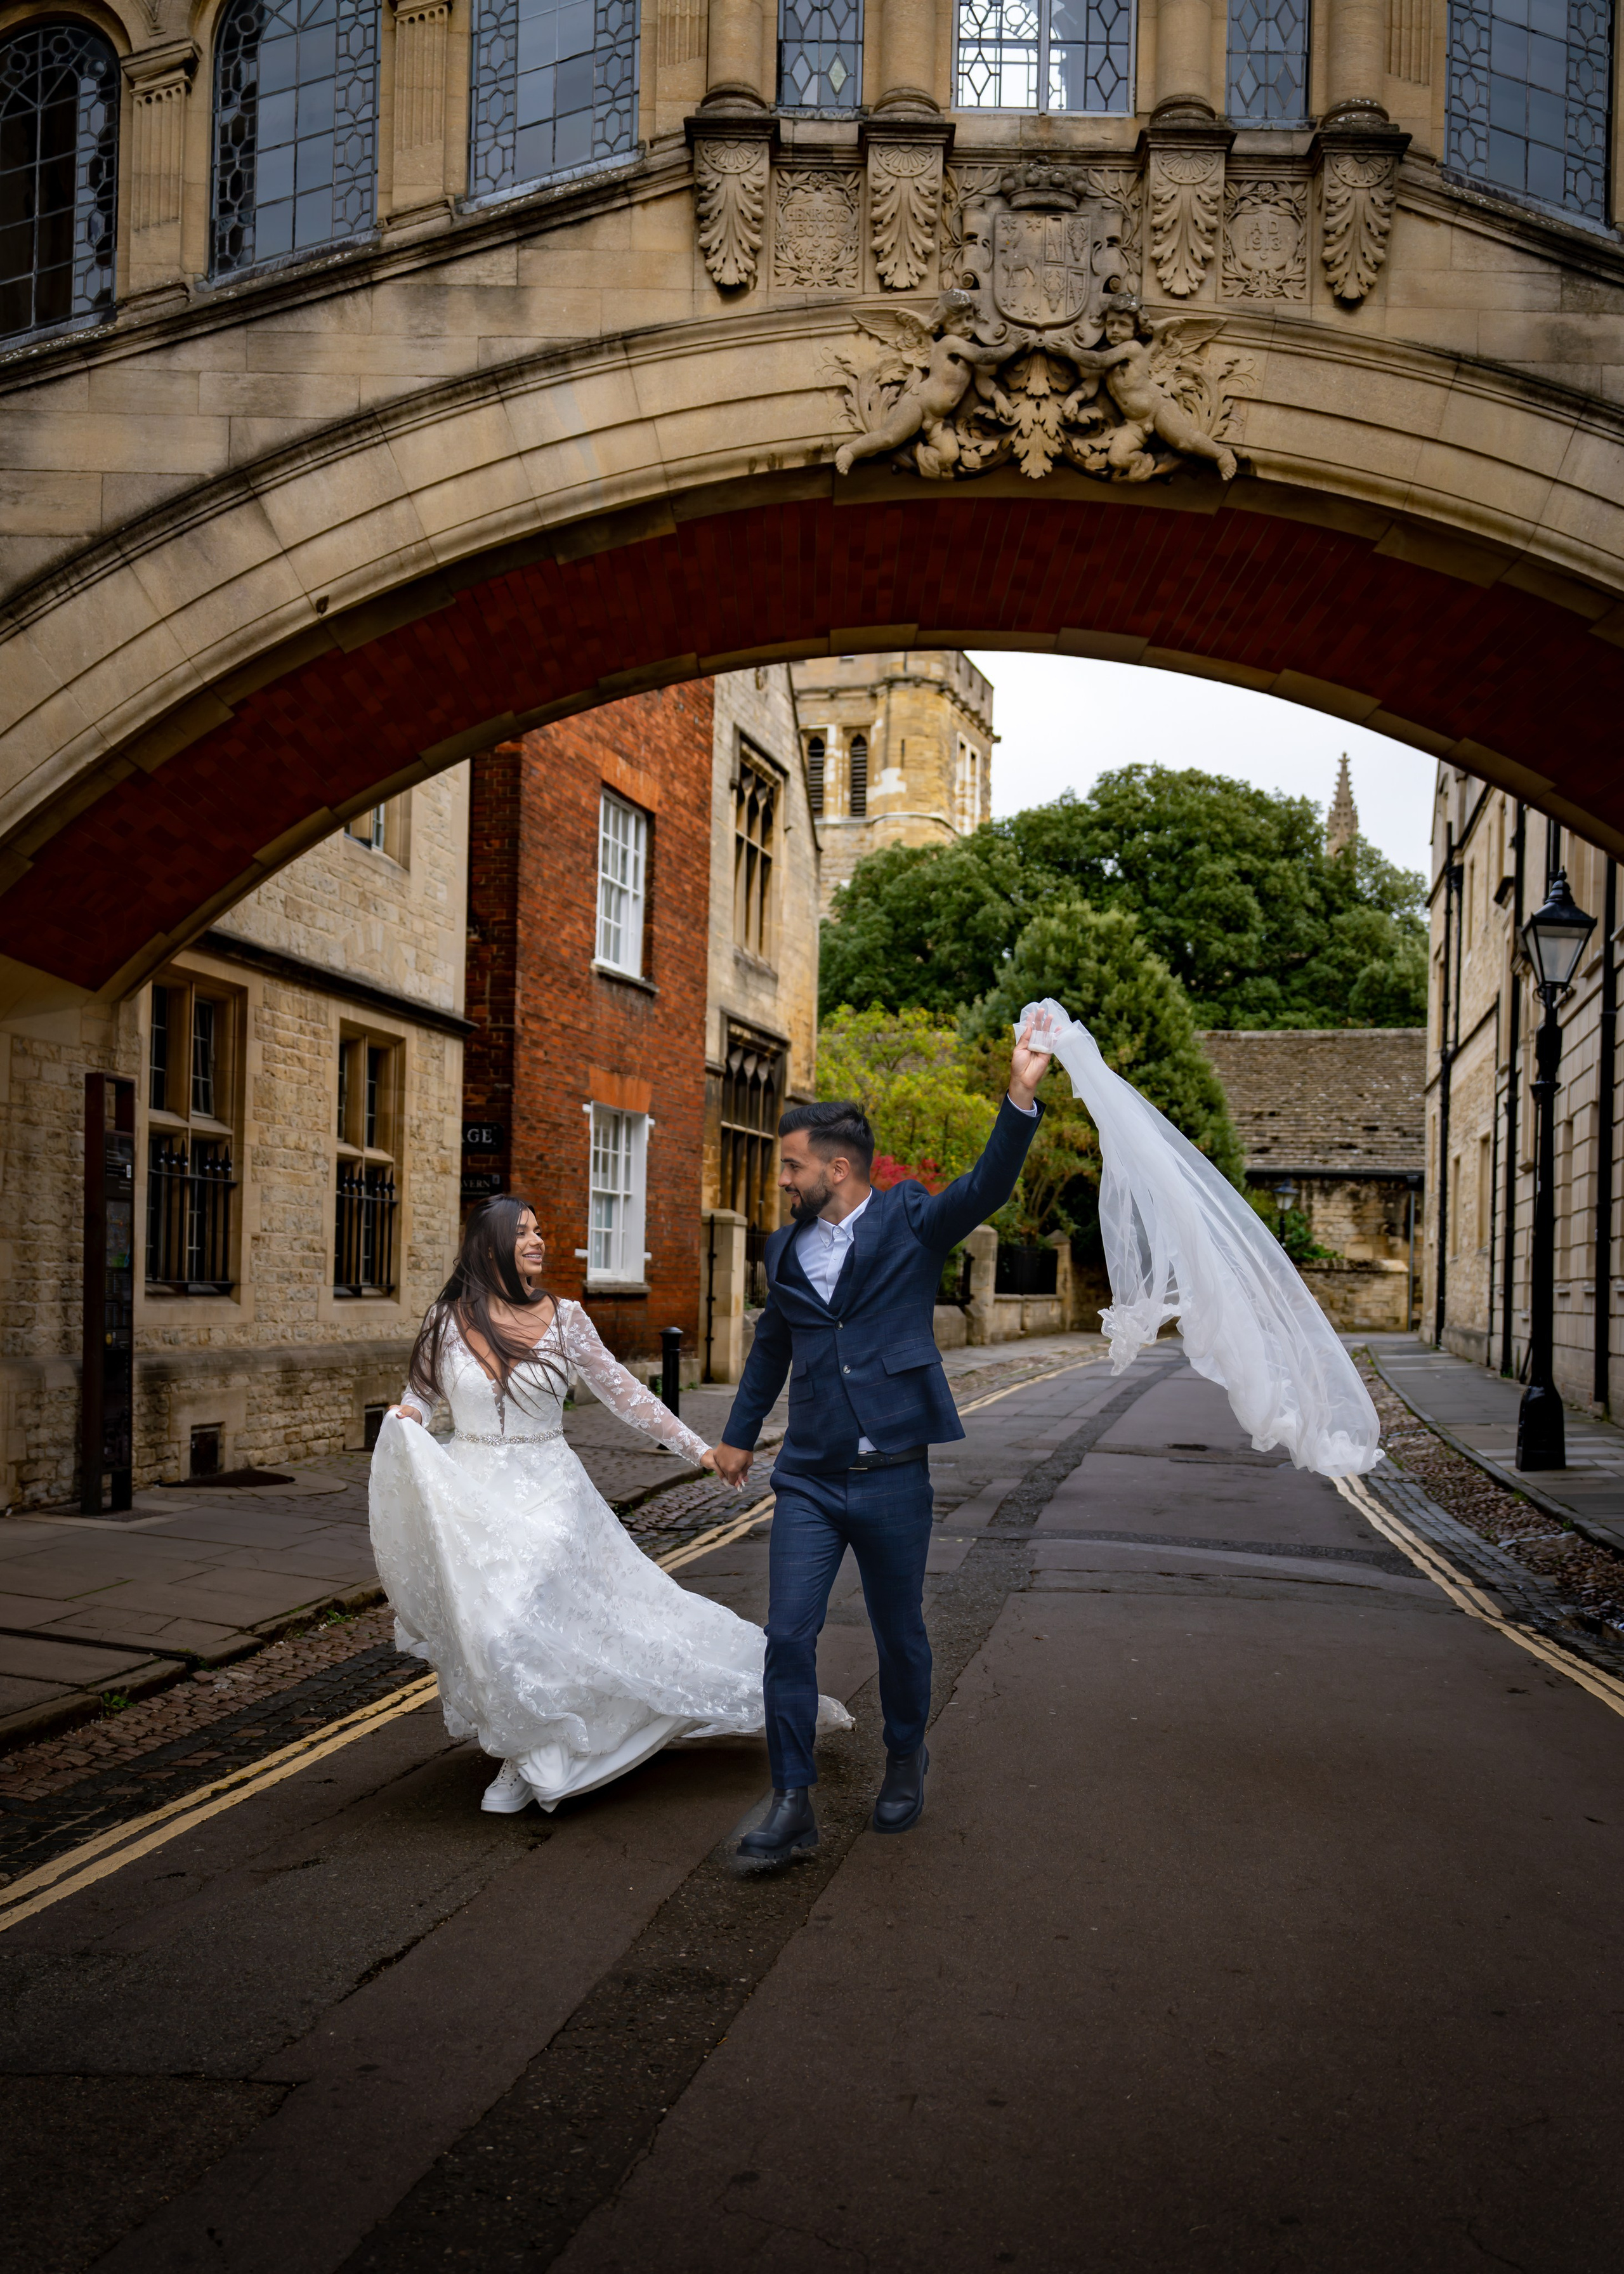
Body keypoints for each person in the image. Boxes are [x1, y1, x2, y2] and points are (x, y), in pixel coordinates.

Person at [370, 1196, 850, 1815]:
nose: (538, 1241)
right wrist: (407, 1416)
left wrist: (700, 1450)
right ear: (488, 1246)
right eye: (523, 1233)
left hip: (550, 1490)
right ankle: (525, 1744)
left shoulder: (565, 1317)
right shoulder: (445, 1320)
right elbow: (421, 1395)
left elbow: (627, 1395)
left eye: (539, 1230)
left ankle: (530, 1753)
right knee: (486, 1629)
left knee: (515, 1618)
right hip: (471, 1494)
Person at [712, 1013, 1054, 1872]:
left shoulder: (909, 1219)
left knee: (900, 1632)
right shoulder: (783, 1249)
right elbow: (772, 1346)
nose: (782, 1179)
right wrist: (739, 1437)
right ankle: (791, 1799)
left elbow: (984, 1188)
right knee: (788, 1636)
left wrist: (1020, 1095)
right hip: (810, 1478)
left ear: (837, 1168)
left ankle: (905, 1754)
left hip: (894, 1474)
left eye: (792, 1166)